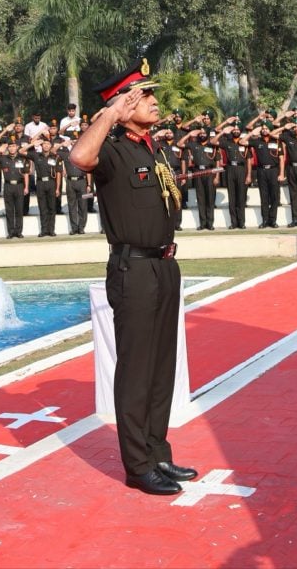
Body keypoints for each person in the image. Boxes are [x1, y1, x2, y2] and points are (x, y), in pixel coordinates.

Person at [69, 58, 196, 497]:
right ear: (125, 103)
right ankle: (137, 465)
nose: (156, 102)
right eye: (145, 96)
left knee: (162, 367)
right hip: (134, 268)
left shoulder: (151, 146)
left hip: (164, 264)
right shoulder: (111, 148)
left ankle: (159, 452)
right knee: (137, 370)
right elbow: (79, 157)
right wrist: (108, 114)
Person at [211, 121, 249, 229]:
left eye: (238, 130)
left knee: (241, 197)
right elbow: (213, 141)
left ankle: (241, 222)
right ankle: (233, 223)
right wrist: (222, 131)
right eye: (234, 130)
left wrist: (249, 175)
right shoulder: (227, 142)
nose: (236, 131)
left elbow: (249, 160)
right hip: (230, 169)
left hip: (242, 169)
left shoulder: (244, 143)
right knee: (232, 197)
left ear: (240, 132)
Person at [178, 126, 218, 230]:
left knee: (209, 198)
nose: (202, 134)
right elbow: (179, 144)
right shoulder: (193, 144)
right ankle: (202, 223)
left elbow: (217, 161)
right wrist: (189, 134)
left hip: (209, 173)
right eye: (200, 133)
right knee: (200, 198)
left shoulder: (212, 145)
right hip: (198, 173)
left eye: (204, 133)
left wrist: (217, 177)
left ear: (208, 134)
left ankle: (210, 223)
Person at [0, 141, 29, 238]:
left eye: (13, 146)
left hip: (19, 185)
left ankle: (19, 231)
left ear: (17, 147)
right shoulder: (3, 158)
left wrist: (26, 187)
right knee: (9, 210)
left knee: (19, 209)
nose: (11, 148)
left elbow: (26, 174)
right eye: (10, 146)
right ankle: (11, 232)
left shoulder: (22, 159)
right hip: (8, 186)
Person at [25, 139, 60, 237]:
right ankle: (44, 230)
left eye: (48, 144)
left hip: (51, 183)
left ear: (51, 146)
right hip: (40, 183)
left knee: (52, 208)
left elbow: (58, 173)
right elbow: (21, 151)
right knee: (42, 207)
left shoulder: (55, 157)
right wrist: (32, 144)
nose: (46, 146)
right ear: (41, 145)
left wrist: (57, 188)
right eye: (44, 144)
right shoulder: (36, 155)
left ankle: (51, 230)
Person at [248, 123, 281, 228]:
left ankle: (273, 220)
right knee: (264, 197)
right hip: (261, 171)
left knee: (274, 197)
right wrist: (252, 133)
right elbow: (242, 141)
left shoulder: (276, 141)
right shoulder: (257, 141)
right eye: (263, 129)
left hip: (273, 170)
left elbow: (281, 159)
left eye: (266, 128)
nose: (264, 130)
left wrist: (281, 173)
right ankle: (265, 220)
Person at [56, 137, 90, 235]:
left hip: (82, 182)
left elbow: (88, 170)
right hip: (70, 182)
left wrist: (89, 184)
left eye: (77, 141)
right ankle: (74, 228)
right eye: (73, 141)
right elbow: (53, 151)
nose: (75, 143)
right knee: (72, 206)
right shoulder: (65, 153)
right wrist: (62, 144)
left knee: (83, 205)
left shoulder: (84, 153)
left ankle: (81, 227)